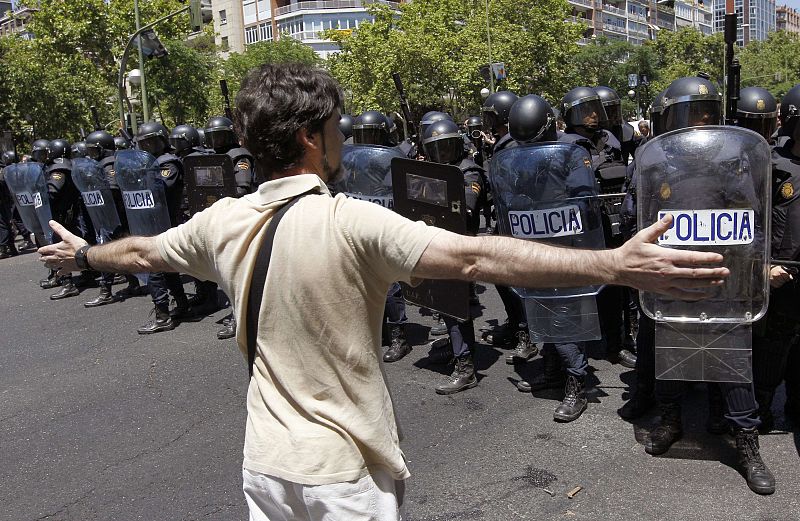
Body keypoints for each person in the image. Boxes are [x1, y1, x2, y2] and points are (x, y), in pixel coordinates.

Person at [38, 63, 729, 520]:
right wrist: (614, 264)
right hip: (343, 476)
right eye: (335, 126)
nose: (341, 135)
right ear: (312, 138)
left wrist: (85, 253)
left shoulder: (221, 222)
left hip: (265, 470)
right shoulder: (348, 220)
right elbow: (476, 256)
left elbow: (142, 250)